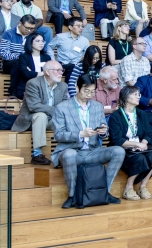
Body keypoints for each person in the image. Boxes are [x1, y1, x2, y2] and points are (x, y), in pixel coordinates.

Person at [52, 75, 125, 208]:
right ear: (77, 88)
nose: (89, 95)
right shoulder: (62, 107)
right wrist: (80, 134)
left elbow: (103, 127)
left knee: (118, 151)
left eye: (92, 92)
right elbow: (58, 135)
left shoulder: (97, 106)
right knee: (69, 155)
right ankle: (73, 196)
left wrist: (104, 132)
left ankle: (105, 192)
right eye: (86, 91)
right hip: (72, 151)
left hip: (92, 151)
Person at [11, 61, 69, 165]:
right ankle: (37, 154)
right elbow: (34, 106)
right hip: (31, 120)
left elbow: (65, 106)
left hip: (52, 119)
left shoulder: (63, 86)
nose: (61, 73)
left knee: (68, 119)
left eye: (62, 70)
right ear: (47, 72)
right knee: (41, 116)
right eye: (58, 70)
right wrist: (56, 110)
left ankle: (65, 154)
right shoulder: (33, 83)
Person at [108, 86, 152, 201]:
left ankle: (143, 186)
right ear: (126, 97)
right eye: (135, 94)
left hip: (140, 147)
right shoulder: (116, 116)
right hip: (124, 148)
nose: (138, 97)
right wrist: (136, 145)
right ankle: (128, 187)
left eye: (139, 94)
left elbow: (148, 133)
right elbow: (117, 140)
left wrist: (144, 143)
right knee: (139, 158)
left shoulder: (141, 114)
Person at [47, 17, 90, 83]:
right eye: (78, 26)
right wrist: (53, 60)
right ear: (70, 27)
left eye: (82, 26)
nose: (81, 28)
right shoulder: (60, 37)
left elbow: (87, 55)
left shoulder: (85, 41)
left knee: (75, 68)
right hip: (61, 65)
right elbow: (49, 47)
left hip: (75, 66)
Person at [13, 32, 51, 99]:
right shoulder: (24, 57)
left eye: (42, 41)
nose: (41, 43)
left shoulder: (47, 57)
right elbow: (26, 74)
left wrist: (33, 73)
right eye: (38, 41)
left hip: (43, 88)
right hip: (26, 88)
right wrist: (44, 73)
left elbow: (50, 74)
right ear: (30, 42)